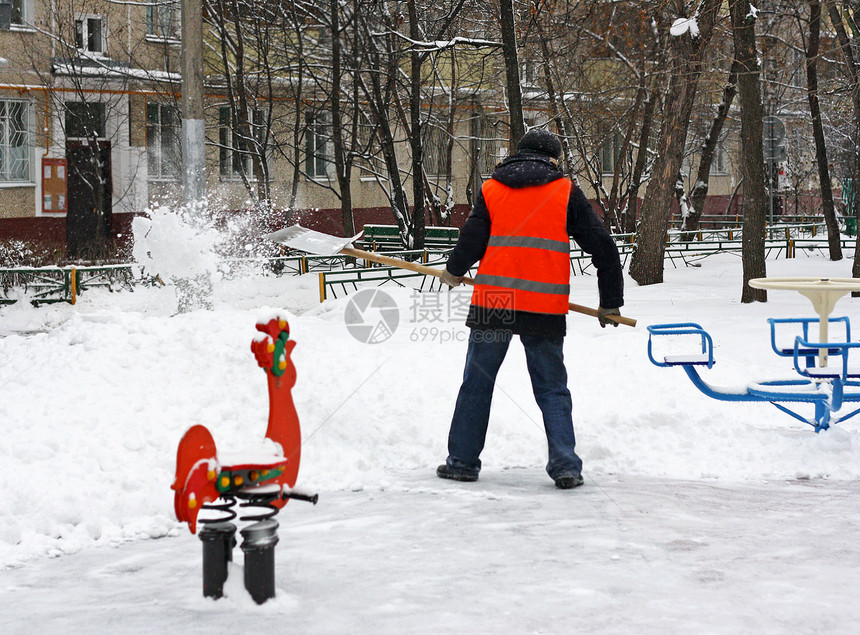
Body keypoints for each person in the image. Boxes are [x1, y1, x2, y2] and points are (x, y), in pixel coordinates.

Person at [437, 128, 624, 489]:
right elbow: (603, 246)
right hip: (544, 303)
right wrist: (610, 302)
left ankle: (461, 462)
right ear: (553, 159)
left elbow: (472, 237)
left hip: (494, 300)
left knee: (477, 383)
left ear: (517, 155)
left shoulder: (492, 188)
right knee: (552, 387)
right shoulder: (564, 190)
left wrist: (453, 270)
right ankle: (566, 465)